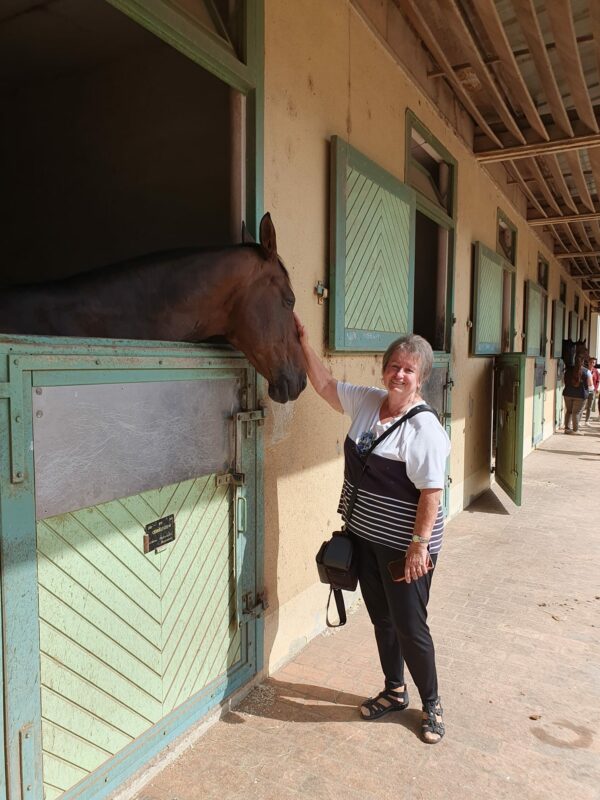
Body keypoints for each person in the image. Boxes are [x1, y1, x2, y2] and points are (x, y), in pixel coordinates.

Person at [296, 316, 450, 744]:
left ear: (421, 379)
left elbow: (431, 495)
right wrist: (305, 341)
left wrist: (419, 547)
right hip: (365, 537)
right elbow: (326, 386)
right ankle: (394, 691)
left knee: (410, 626)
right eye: (394, 366)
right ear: (383, 369)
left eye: (409, 370)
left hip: (406, 550)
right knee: (382, 619)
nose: (399, 375)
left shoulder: (425, 430)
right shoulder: (366, 402)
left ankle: (432, 703)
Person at [563, 354, 593, 434]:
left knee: (569, 411)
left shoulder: (568, 370)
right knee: (576, 412)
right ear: (583, 362)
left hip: (567, 393)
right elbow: (590, 384)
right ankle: (575, 430)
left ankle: (567, 429)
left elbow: (564, 381)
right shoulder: (587, 371)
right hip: (580, 395)